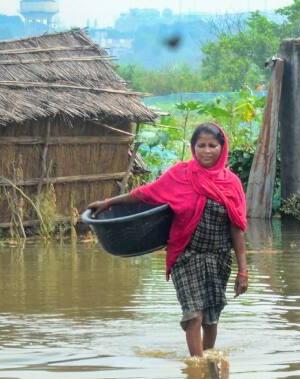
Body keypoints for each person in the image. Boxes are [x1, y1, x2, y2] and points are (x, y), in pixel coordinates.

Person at [87, 123, 248, 357]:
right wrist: (109, 203)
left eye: (212, 145)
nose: (206, 150)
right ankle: (196, 366)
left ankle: (207, 364)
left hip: (218, 258)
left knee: (211, 318)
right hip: (186, 255)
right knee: (194, 314)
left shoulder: (231, 183)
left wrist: (243, 271)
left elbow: (237, 228)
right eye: (201, 145)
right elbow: (145, 193)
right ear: (193, 148)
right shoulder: (180, 175)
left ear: (221, 148)